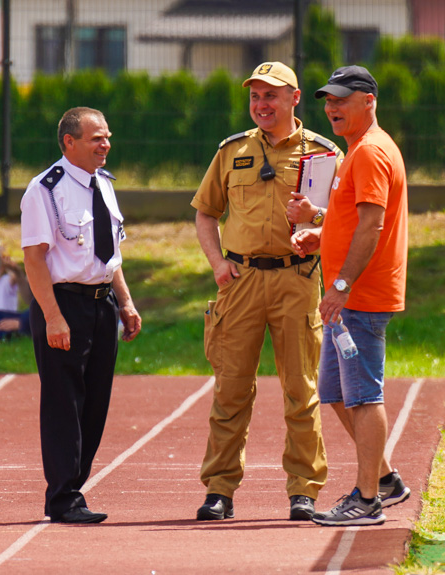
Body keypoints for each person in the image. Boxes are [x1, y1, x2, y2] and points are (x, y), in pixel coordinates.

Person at [191, 61, 341, 522]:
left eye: (271, 96)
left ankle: (304, 489)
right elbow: (204, 214)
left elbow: (342, 222)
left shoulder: (322, 154)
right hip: (240, 282)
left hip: (297, 279)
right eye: (255, 96)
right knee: (231, 389)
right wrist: (218, 265)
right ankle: (219, 490)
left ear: (295, 99)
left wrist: (313, 219)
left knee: (301, 389)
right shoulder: (231, 150)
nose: (262, 104)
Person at [291, 65, 410, 527]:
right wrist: (320, 234)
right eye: (328, 100)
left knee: (363, 396)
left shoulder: (370, 152)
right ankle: (384, 480)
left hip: (360, 297)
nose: (331, 108)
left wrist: (340, 286)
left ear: (369, 101)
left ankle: (367, 500)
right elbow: (352, 218)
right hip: (350, 296)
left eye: (342, 99)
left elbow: (373, 224)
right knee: (336, 393)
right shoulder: (357, 151)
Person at [20, 107, 141, 524]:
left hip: (102, 304)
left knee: (94, 403)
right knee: (63, 402)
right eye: (95, 138)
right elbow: (34, 260)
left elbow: (111, 253)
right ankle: (63, 498)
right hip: (63, 303)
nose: (105, 145)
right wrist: (53, 317)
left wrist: (124, 302)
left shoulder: (103, 185)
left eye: (107, 137)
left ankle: (74, 489)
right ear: (69, 142)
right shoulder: (44, 190)